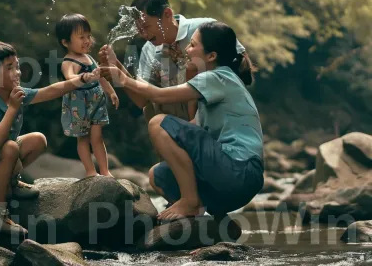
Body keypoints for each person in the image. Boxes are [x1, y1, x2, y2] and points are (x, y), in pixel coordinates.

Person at [101, 21, 264, 222]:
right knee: (158, 175)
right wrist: (118, 68)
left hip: (240, 172)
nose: (187, 49)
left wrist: (123, 79)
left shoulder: (218, 77)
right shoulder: (211, 86)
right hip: (228, 183)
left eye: (193, 45)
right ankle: (209, 218)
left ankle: (190, 200)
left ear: (211, 56)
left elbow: (159, 96)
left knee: (158, 123)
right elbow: (187, 134)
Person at [0, 38, 100, 236]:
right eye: (10, 68)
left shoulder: (18, 93)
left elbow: (50, 91)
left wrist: (81, 80)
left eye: (17, 66)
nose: (18, 72)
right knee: (10, 147)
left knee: (38, 139)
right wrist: (13, 108)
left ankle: (9, 182)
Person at [99, 0, 247, 123]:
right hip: (177, 117)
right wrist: (116, 66)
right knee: (151, 111)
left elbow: (240, 63)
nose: (144, 34)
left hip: (216, 108)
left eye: (147, 27)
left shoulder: (204, 29)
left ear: (167, 14)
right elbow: (144, 100)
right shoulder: (149, 50)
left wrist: (198, 74)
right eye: (139, 29)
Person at [55, 14, 119, 177]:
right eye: (81, 37)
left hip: (96, 101)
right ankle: (90, 171)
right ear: (65, 42)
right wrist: (83, 77)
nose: (87, 40)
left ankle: (105, 171)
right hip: (78, 104)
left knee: (97, 137)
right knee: (83, 138)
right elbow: (69, 78)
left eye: (88, 36)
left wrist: (111, 92)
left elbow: (101, 76)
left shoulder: (89, 58)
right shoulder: (68, 61)